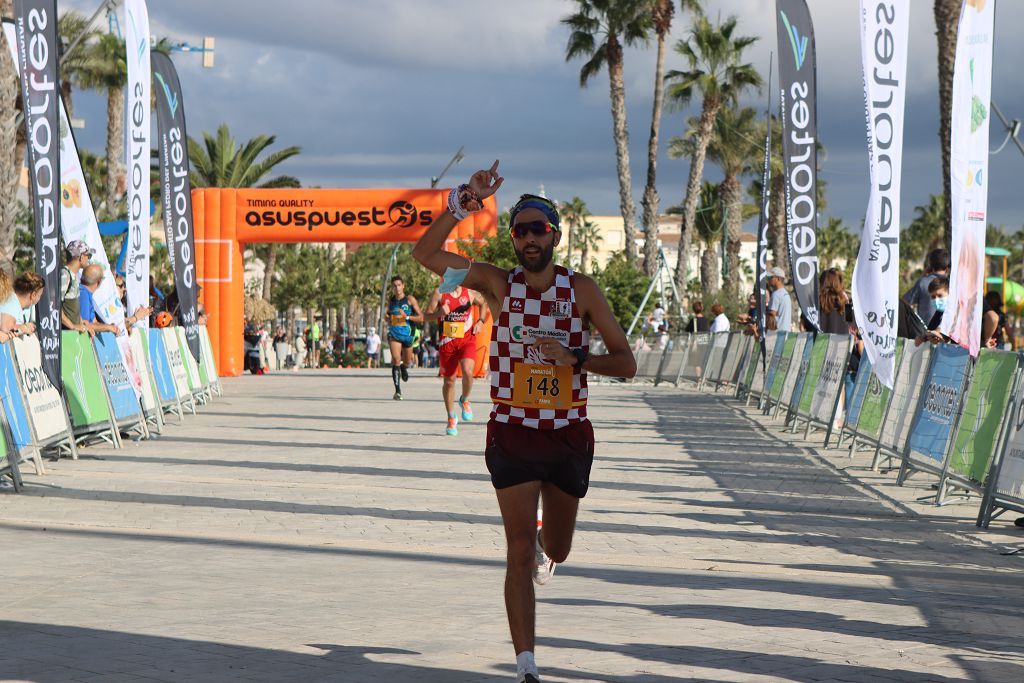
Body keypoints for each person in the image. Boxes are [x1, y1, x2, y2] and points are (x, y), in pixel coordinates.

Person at [412, 161, 636, 683]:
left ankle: (548, 546)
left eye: (539, 229)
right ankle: (526, 665)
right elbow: (424, 254)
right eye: (521, 230)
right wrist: (464, 200)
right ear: (513, 239)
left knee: (555, 548)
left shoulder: (582, 290)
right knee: (515, 552)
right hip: (512, 431)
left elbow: (626, 363)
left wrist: (576, 360)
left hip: (567, 434)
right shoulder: (496, 283)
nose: (530, 238)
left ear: (554, 235)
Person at [424, 283, 490, 436]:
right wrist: (439, 313)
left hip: (467, 339)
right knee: (449, 381)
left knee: (468, 371)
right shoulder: (439, 293)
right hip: (447, 343)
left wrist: (480, 321)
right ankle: (451, 417)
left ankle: (465, 399)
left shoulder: (470, 293)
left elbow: (484, 302)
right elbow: (426, 316)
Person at [385, 275, 423, 400]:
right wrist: (387, 318)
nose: (397, 288)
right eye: (394, 286)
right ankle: (398, 391)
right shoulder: (391, 301)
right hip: (394, 333)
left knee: (407, 361)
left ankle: (404, 367)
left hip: (408, 334)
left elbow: (421, 317)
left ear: (403, 286)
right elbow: (387, 315)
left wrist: (406, 317)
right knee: (396, 359)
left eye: (399, 285)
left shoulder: (410, 300)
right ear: (392, 287)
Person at [902, 248, 950, 326]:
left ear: (930, 266)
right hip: (948, 335)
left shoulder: (922, 283)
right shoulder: (952, 285)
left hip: (925, 334)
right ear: (947, 268)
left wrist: (923, 275)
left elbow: (904, 302)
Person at [59, 240, 94, 333]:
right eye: (88, 256)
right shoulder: (65, 275)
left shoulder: (74, 276)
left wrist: (84, 325)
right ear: (81, 257)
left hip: (72, 336)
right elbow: (55, 306)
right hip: (65, 336)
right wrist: (72, 326)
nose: (88, 259)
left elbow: (72, 310)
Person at [79, 264, 119, 335]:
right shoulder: (83, 294)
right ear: (99, 281)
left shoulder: (87, 293)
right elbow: (85, 324)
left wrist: (109, 327)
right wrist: (108, 327)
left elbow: (94, 322)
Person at [2, 272, 44, 336]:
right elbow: (5, 327)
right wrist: (24, 328)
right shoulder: (13, 302)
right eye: (40, 295)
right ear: (33, 295)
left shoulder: (15, 301)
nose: (39, 298)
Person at [818, 268, 850, 335]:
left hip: (820, 344)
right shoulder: (847, 304)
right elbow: (852, 330)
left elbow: (802, 327)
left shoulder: (815, 304)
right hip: (843, 344)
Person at [767, 266, 794, 332]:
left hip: (776, 334)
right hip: (786, 333)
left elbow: (771, 316)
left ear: (778, 279)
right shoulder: (785, 294)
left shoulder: (776, 294)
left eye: (771, 277)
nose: (769, 279)